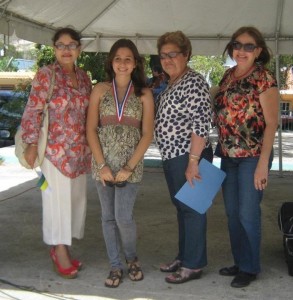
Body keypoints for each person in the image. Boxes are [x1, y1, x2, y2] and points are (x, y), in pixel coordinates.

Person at [21, 27, 92, 279]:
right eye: (60, 45)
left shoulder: (84, 77)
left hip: (80, 152)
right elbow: (34, 109)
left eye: (71, 45)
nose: (66, 50)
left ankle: (63, 247)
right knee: (55, 201)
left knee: (74, 201)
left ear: (79, 49)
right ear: (54, 49)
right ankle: (59, 251)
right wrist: (30, 144)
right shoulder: (46, 75)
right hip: (54, 151)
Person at [213, 26, 279, 288]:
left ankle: (250, 267)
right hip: (228, 156)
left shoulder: (264, 78)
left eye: (249, 46)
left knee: (247, 213)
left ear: (258, 51)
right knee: (232, 213)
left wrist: (263, 164)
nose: (242, 50)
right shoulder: (228, 76)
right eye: (237, 45)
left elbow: (272, 123)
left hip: (253, 156)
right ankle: (240, 261)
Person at [86, 39, 154, 288]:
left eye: (128, 59)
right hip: (102, 165)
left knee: (123, 217)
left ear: (135, 63)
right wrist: (101, 164)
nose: (123, 63)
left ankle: (131, 258)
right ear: (111, 62)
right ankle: (115, 265)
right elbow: (91, 129)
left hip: (130, 166)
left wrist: (129, 167)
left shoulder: (144, 93)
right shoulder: (100, 90)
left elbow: (147, 134)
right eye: (118, 58)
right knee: (107, 218)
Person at [154, 31, 213, 284]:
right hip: (173, 156)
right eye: (163, 55)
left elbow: (202, 123)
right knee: (182, 209)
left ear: (186, 54)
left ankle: (194, 264)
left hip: (190, 155)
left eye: (172, 54)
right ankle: (184, 255)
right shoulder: (173, 82)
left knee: (193, 210)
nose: (167, 60)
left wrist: (193, 161)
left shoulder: (194, 81)